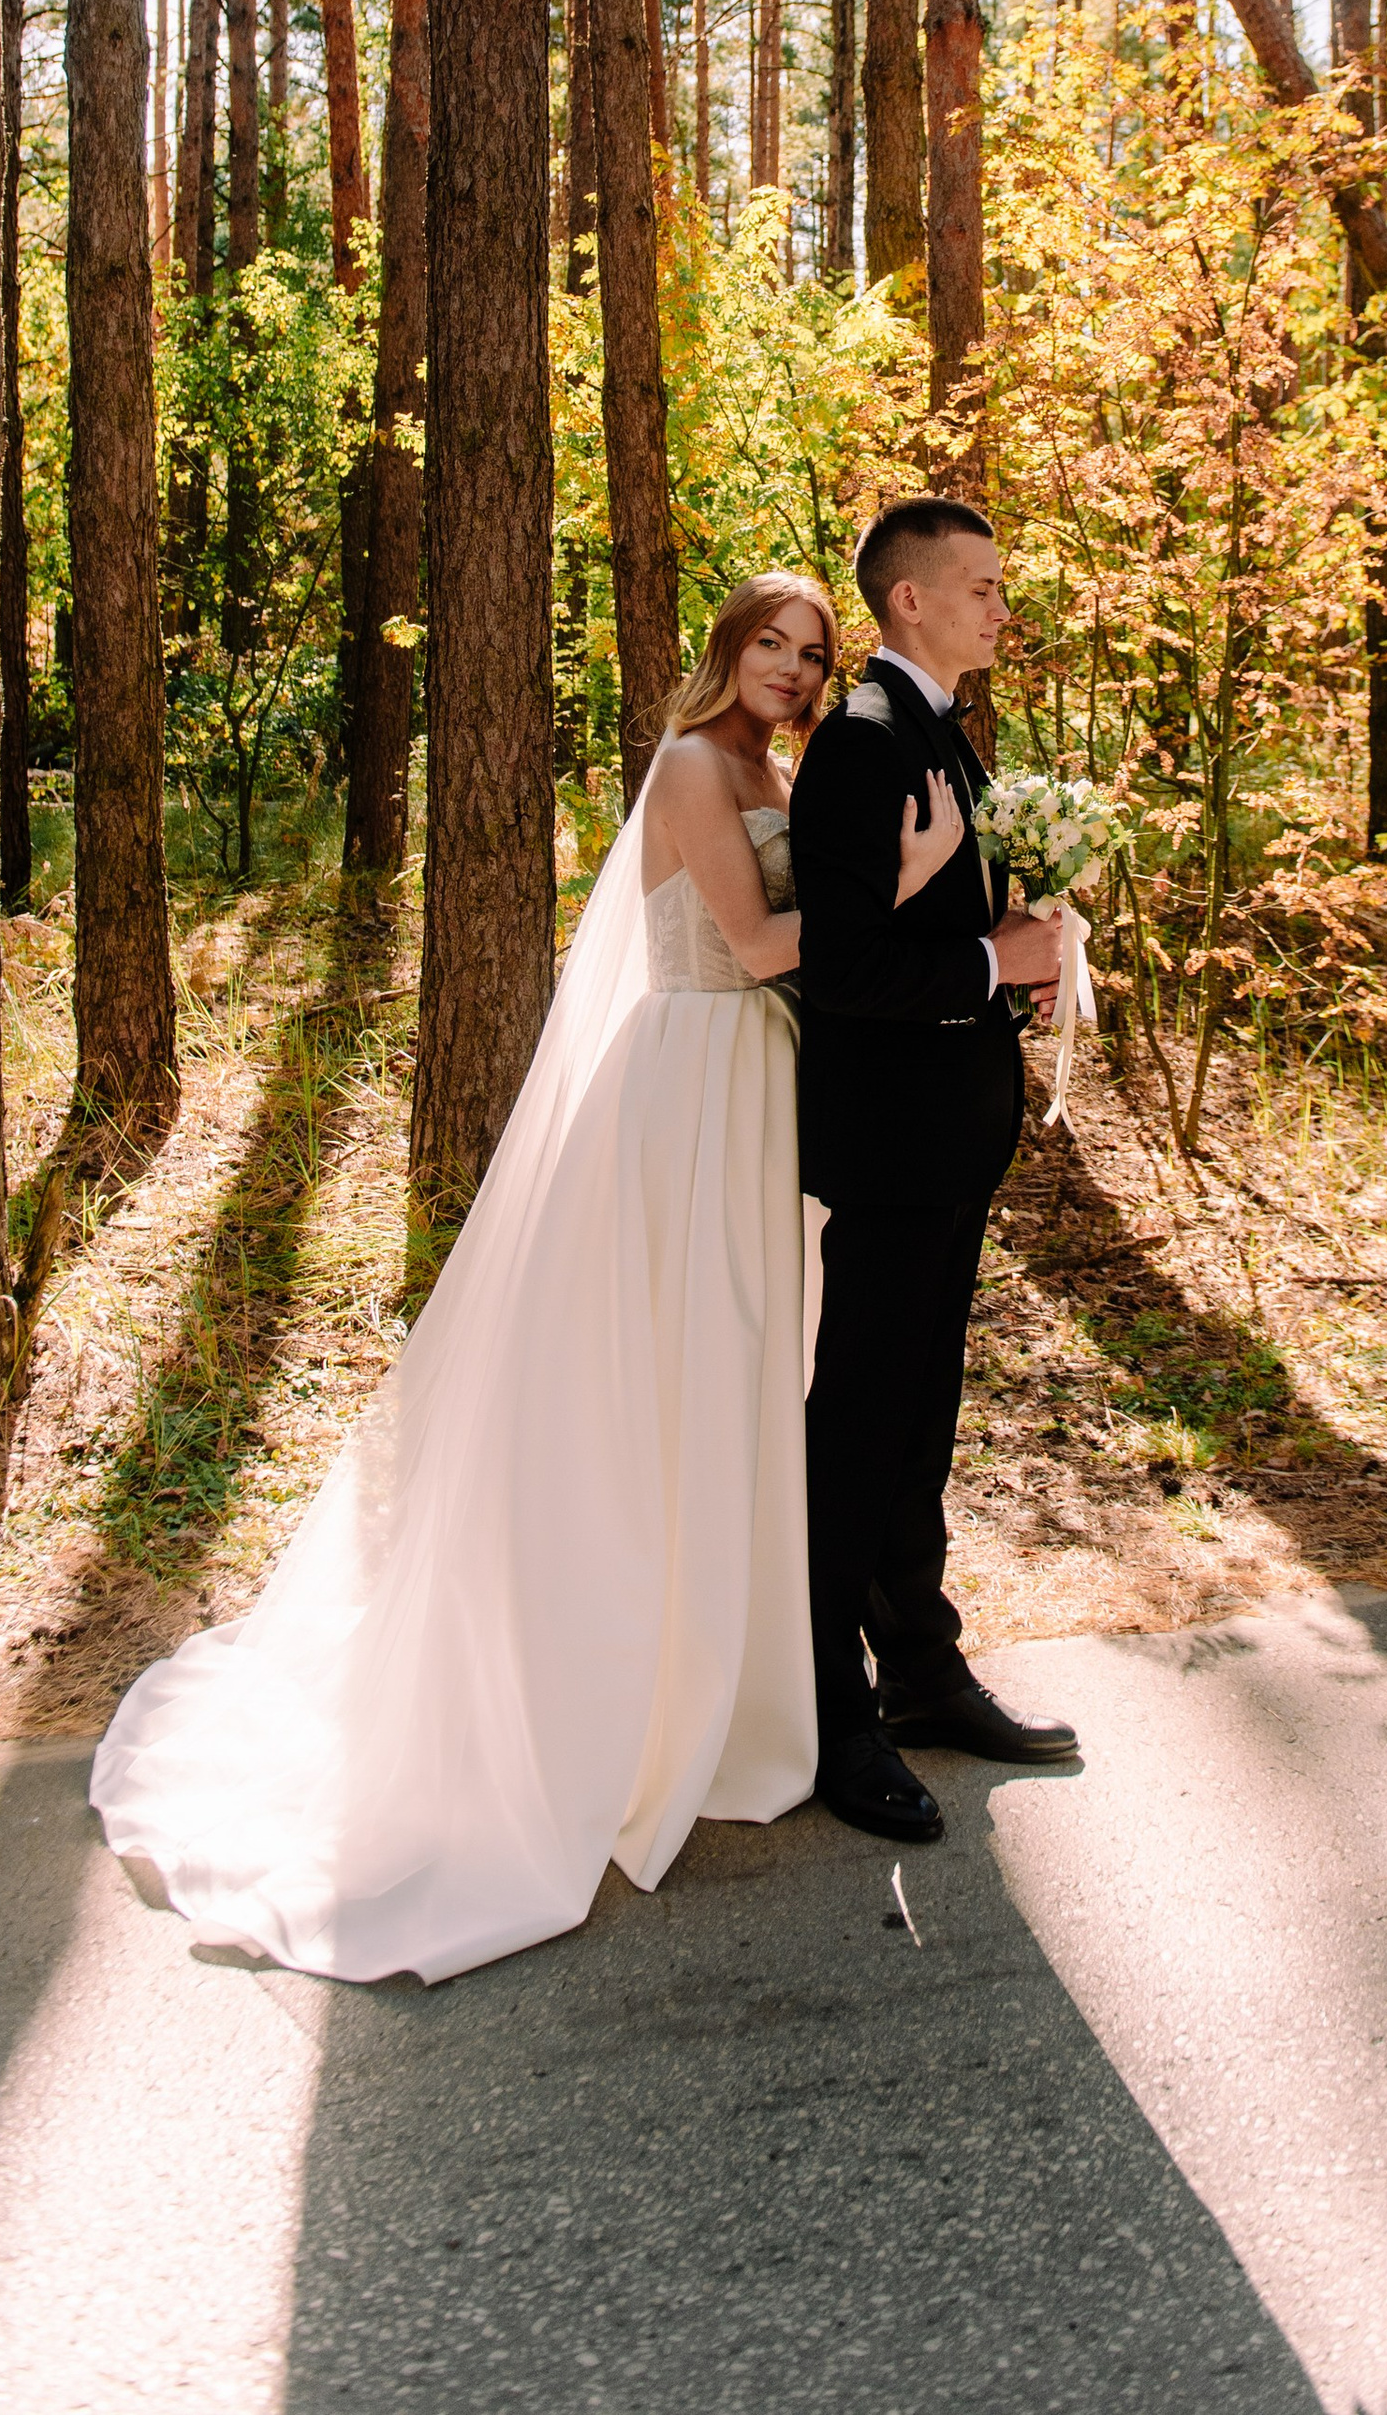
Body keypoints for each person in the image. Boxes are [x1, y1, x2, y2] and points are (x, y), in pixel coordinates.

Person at [88, 571, 971, 1984]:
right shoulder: (693, 764)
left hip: (762, 1090)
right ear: (727, 651)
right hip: (688, 1085)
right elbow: (751, 950)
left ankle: (744, 1690)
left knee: (742, 1377)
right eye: (773, 646)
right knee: (673, 1371)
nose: (794, 671)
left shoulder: (787, 765)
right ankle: (627, 1695)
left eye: (811, 655)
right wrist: (910, 890)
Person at [786, 495, 1084, 1849]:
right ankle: (832, 1715)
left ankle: (921, 1668)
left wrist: (1007, 957)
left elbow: (931, 933)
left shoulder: (947, 737)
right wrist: (990, 964)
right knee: (859, 1430)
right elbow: (842, 968)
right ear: (908, 600)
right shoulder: (860, 743)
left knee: (919, 1421)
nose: (999, 609)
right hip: (891, 1141)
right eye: (980, 587)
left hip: (950, 1129)